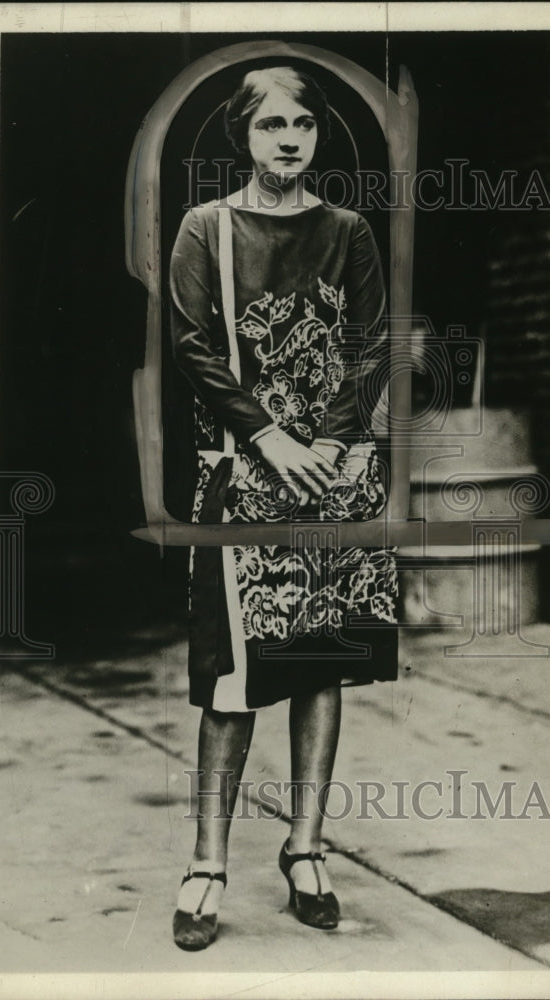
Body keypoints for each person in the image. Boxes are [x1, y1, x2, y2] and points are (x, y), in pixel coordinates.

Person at [168, 64, 398, 951]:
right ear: (245, 136)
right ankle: (207, 864)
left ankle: (306, 851)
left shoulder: (347, 230)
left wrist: (335, 446)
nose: (289, 139)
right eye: (271, 126)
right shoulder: (207, 228)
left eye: (303, 124)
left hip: (334, 477)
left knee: (322, 664)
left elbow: (368, 343)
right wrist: (274, 441)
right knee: (234, 679)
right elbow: (194, 348)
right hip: (247, 472)